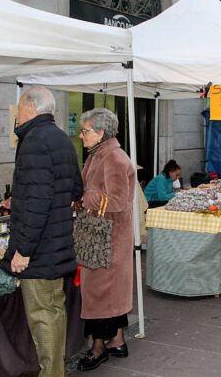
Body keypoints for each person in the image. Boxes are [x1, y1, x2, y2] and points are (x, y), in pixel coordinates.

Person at [0, 86, 82, 377]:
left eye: (20, 108)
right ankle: (55, 370)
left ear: (32, 108)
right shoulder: (62, 139)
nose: (17, 114)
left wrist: (24, 250)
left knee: (43, 317)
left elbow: (38, 202)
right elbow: (74, 189)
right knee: (54, 312)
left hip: (41, 249)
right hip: (58, 243)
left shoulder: (34, 141)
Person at [76, 108, 136, 372]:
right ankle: (118, 341)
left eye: (85, 130)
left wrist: (84, 198)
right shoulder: (100, 154)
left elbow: (119, 201)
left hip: (107, 239)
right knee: (109, 294)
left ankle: (98, 349)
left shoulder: (113, 158)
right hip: (105, 236)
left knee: (99, 295)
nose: (81, 136)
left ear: (100, 132)